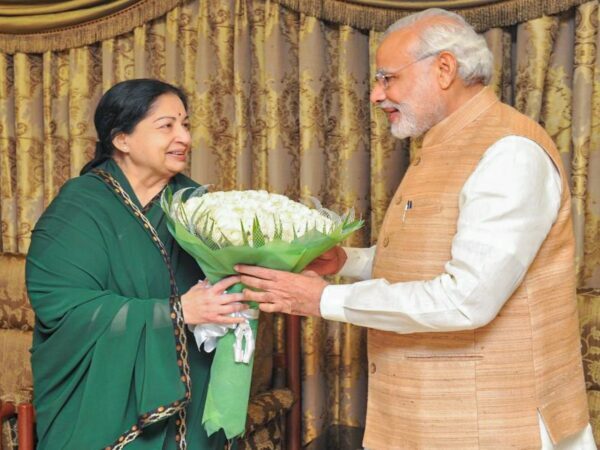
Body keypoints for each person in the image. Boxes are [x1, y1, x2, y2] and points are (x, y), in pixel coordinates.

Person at [236, 8, 596, 450]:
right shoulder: (440, 143)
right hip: (427, 419)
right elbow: (431, 257)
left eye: (388, 78)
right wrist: (346, 261)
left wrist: (323, 299)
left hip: (496, 422)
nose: (376, 95)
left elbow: (466, 299)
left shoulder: (509, 152)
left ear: (444, 69)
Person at [26, 79, 248, 449]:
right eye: (167, 126)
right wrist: (176, 312)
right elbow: (63, 308)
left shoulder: (197, 206)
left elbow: (230, 278)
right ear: (121, 139)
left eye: (185, 125)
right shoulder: (79, 208)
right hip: (102, 394)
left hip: (192, 387)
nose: (184, 137)